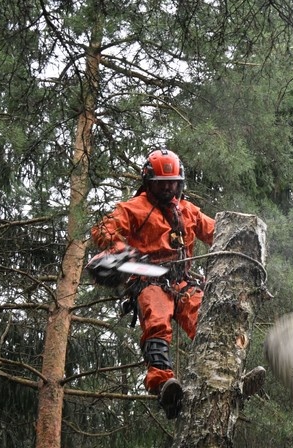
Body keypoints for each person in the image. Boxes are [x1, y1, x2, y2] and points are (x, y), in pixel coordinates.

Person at [90, 148, 215, 418]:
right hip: (149, 280)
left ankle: (220, 374)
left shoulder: (188, 211)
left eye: (173, 183)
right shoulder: (134, 208)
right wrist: (120, 250)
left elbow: (216, 231)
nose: (169, 188)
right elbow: (103, 230)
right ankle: (162, 385)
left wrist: (242, 239)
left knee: (209, 320)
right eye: (163, 184)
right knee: (157, 320)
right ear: (149, 183)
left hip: (183, 283)